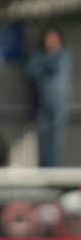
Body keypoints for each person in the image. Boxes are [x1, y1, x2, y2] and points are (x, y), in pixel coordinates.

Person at [25, 26, 73, 167]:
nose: (52, 43)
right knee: (43, 144)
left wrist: (43, 60)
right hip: (41, 108)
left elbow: (56, 64)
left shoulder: (64, 56)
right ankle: (44, 174)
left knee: (56, 145)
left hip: (59, 109)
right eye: (49, 39)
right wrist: (41, 59)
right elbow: (30, 71)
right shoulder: (36, 57)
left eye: (55, 39)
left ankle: (55, 172)